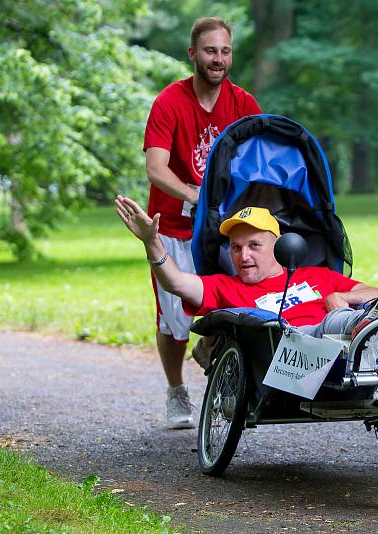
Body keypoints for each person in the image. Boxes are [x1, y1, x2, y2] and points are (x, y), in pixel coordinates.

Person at [115, 196, 378, 345]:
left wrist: (341, 295)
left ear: (279, 248)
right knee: (335, 322)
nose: (242, 255)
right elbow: (175, 283)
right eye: (235, 248)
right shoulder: (224, 286)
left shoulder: (318, 277)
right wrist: (152, 242)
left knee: (365, 308)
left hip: (346, 348)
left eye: (254, 246)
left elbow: (376, 292)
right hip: (292, 352)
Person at [143, 17, 262, 429]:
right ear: (193, 54)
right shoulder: (170, 102)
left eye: (225, 51)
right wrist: (196, 195)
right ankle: (176, 391)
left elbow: (258, 163)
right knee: (175, 321)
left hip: (227, 227)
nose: (219, 59)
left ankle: (217, 359)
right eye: (210, 51)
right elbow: (156, 169)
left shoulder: (244, 103)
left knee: (238, 299)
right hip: (175, 226)